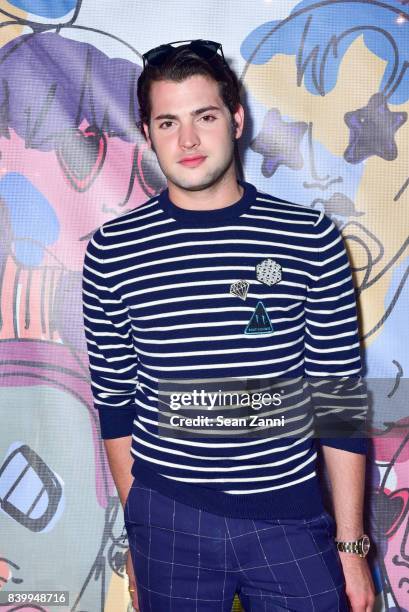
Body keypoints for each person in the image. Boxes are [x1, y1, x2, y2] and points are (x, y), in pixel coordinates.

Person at [82, 39, 376, 611]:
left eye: (205, 116)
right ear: (147, 133)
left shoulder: (310, 240)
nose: (187, 140)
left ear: (237, 119)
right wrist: (142, 535)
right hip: (168, 521)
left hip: (290, 515)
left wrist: (352, 545)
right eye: (168, 122)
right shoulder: (112, 252)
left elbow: (339, 401)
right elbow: (116, 405)